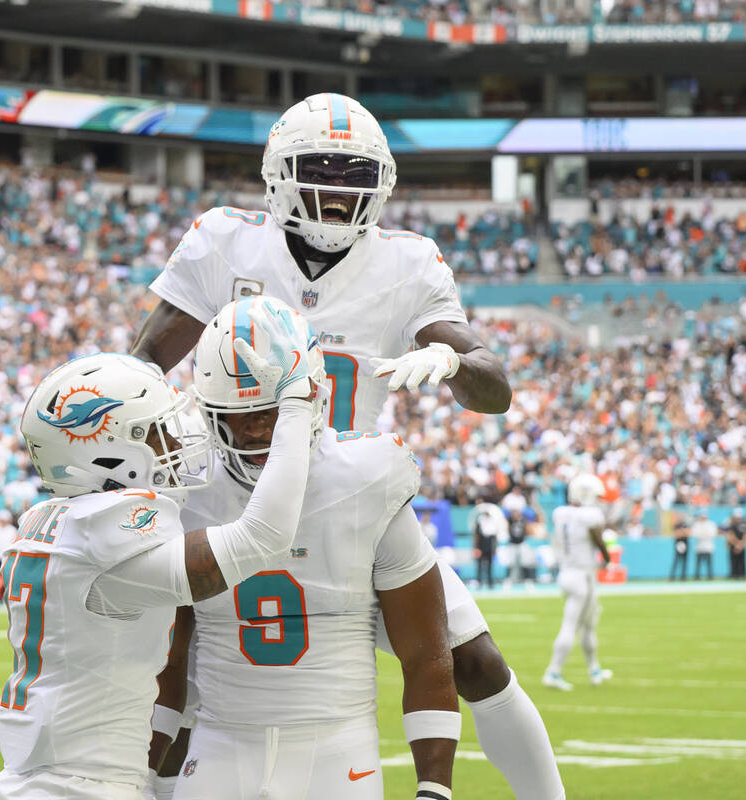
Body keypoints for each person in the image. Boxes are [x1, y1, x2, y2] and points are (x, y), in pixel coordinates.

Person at [131, 92, 562, 800]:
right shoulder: (224, 242)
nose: (338, 193)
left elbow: (495, 386)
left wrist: (454, 363)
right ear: (280, 175)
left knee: (475, 662)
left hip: (347, 499)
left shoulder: (407, 264)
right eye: (321, 172)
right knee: (190, 675)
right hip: (234, 491)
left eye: (355, 177)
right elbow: (148, 361)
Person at [0, 309, 318, 799]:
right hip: (80, 787)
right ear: (109, 453)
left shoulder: (54, 523)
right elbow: (263, 535)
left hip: (41, 781)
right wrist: (293, 406)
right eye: (157, 434)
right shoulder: (106, 536)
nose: (176, 445)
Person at [151, 296, 460, 799]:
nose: (254, 427)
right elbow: (166, 660)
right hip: (221, 743)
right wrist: (144, 775)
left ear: (309, 399)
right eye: (237, 412)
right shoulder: (190, 487)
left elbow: (426, 654)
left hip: (337, 749)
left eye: (270, 408)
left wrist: (434, 789)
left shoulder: (366, 478)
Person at [542, 473, 613, 692]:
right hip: (582, 575)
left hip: (567, 573)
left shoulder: (561, 513)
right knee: (572, 625)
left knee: (588, 624)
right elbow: (598, 538)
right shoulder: (590, 516)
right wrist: (607, 558)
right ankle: (553, 671)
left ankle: (594, 669)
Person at [472, 500, 506, 589]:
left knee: (490, 565)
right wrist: (476, 547)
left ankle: (490, 582)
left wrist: (494, 548)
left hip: (489, 543)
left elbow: (494, 536)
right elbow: (477, 535)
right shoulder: (480, 521)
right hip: (482, 543)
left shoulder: (492, 521)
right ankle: (479, 581)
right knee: (480, 565)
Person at [690, 512, 718, 580]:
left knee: (709, 563)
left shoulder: (711, 524)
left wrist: (703, 534)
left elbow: (713, 534)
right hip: (699, 547)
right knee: (698, 563)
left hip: (708, 547)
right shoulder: (697, 524)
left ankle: (710, 576)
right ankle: (697, 576)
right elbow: (695, 534)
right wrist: (703, 534)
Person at [725, 508, 746, 580]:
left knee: (742, 561)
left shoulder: (743, 524)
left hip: (741, 546)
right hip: (734, 545)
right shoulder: (731, 524)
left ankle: (742, 575)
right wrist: (737, 544)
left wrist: (740, 545)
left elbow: (745, 535)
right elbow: (730, 535)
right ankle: (734, 575)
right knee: (734, 561)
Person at [668, 512, 690, 581]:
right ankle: (672, 576)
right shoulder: (676, 525)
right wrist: (682, 532)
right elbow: (676, 534)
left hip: (685, 543)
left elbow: (688, 533)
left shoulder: (686, 524)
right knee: (676, 560)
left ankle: (683, 577)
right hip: (678, 544)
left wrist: (682, 532)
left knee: (684, 561)